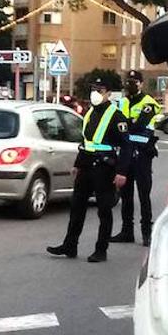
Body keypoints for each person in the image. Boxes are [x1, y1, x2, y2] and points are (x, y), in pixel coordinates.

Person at [47, 77, 131, 263]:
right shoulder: (89, 112)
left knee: (104, 210)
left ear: (108, 93)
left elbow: (126, 147)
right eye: (94, 89)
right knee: (77, 207)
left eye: (100, 90)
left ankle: (101, 250)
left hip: (104, 167)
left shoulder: (117, 116)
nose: (95, 93)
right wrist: (77, 164)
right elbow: (86, 143)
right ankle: (70, 245)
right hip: (86, 166)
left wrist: (122, 172)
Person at [111, 69, 163, 246]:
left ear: (141, 84)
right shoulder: (122, 102)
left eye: (134, 82)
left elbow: (139, 125)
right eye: (128, 81)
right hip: (126, 154)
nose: (130, 85)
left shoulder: (149, 102)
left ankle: (146, 233)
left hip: (142, 154)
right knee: (126, 194)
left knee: (143, 195)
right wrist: (128, 124)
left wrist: (128, 124)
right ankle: (127, 231)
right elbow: (119, 125)